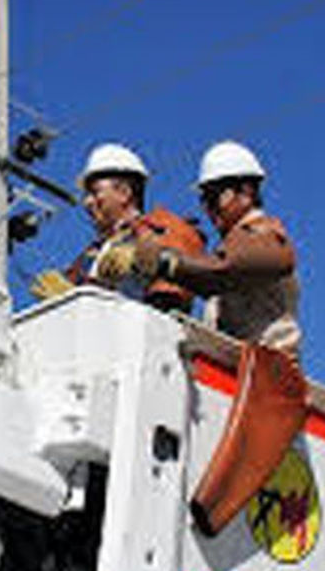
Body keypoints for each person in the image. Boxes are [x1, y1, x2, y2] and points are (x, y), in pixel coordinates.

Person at [132, 140, 309, 537]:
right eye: (206, 200)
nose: (210, 210)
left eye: (216, 197)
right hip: (234, 379)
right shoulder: (229, 246)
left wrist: (167, 261)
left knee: (215, 501)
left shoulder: (266, 234)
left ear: (245, 191)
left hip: (269, 378)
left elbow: (227, 272)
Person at [31, 143, 202, 312]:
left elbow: (167, 304)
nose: (87, 202)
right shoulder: (89, 257)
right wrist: (65, 301)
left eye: (95, 192)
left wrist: (142, 259)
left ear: (124, 193)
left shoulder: (165, 229)